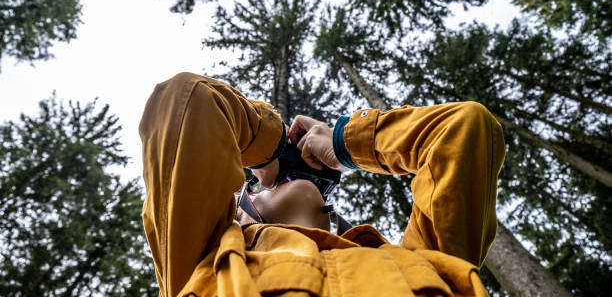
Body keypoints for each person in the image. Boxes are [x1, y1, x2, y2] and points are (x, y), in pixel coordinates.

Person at [139, 72, 505, 297]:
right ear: (238, 214)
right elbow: (186, 99)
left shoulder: (417, 260)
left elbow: (465, 127)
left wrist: (343, 144)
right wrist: (272, 146)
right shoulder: (199, 258)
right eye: (254, 185)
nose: (291, 177)